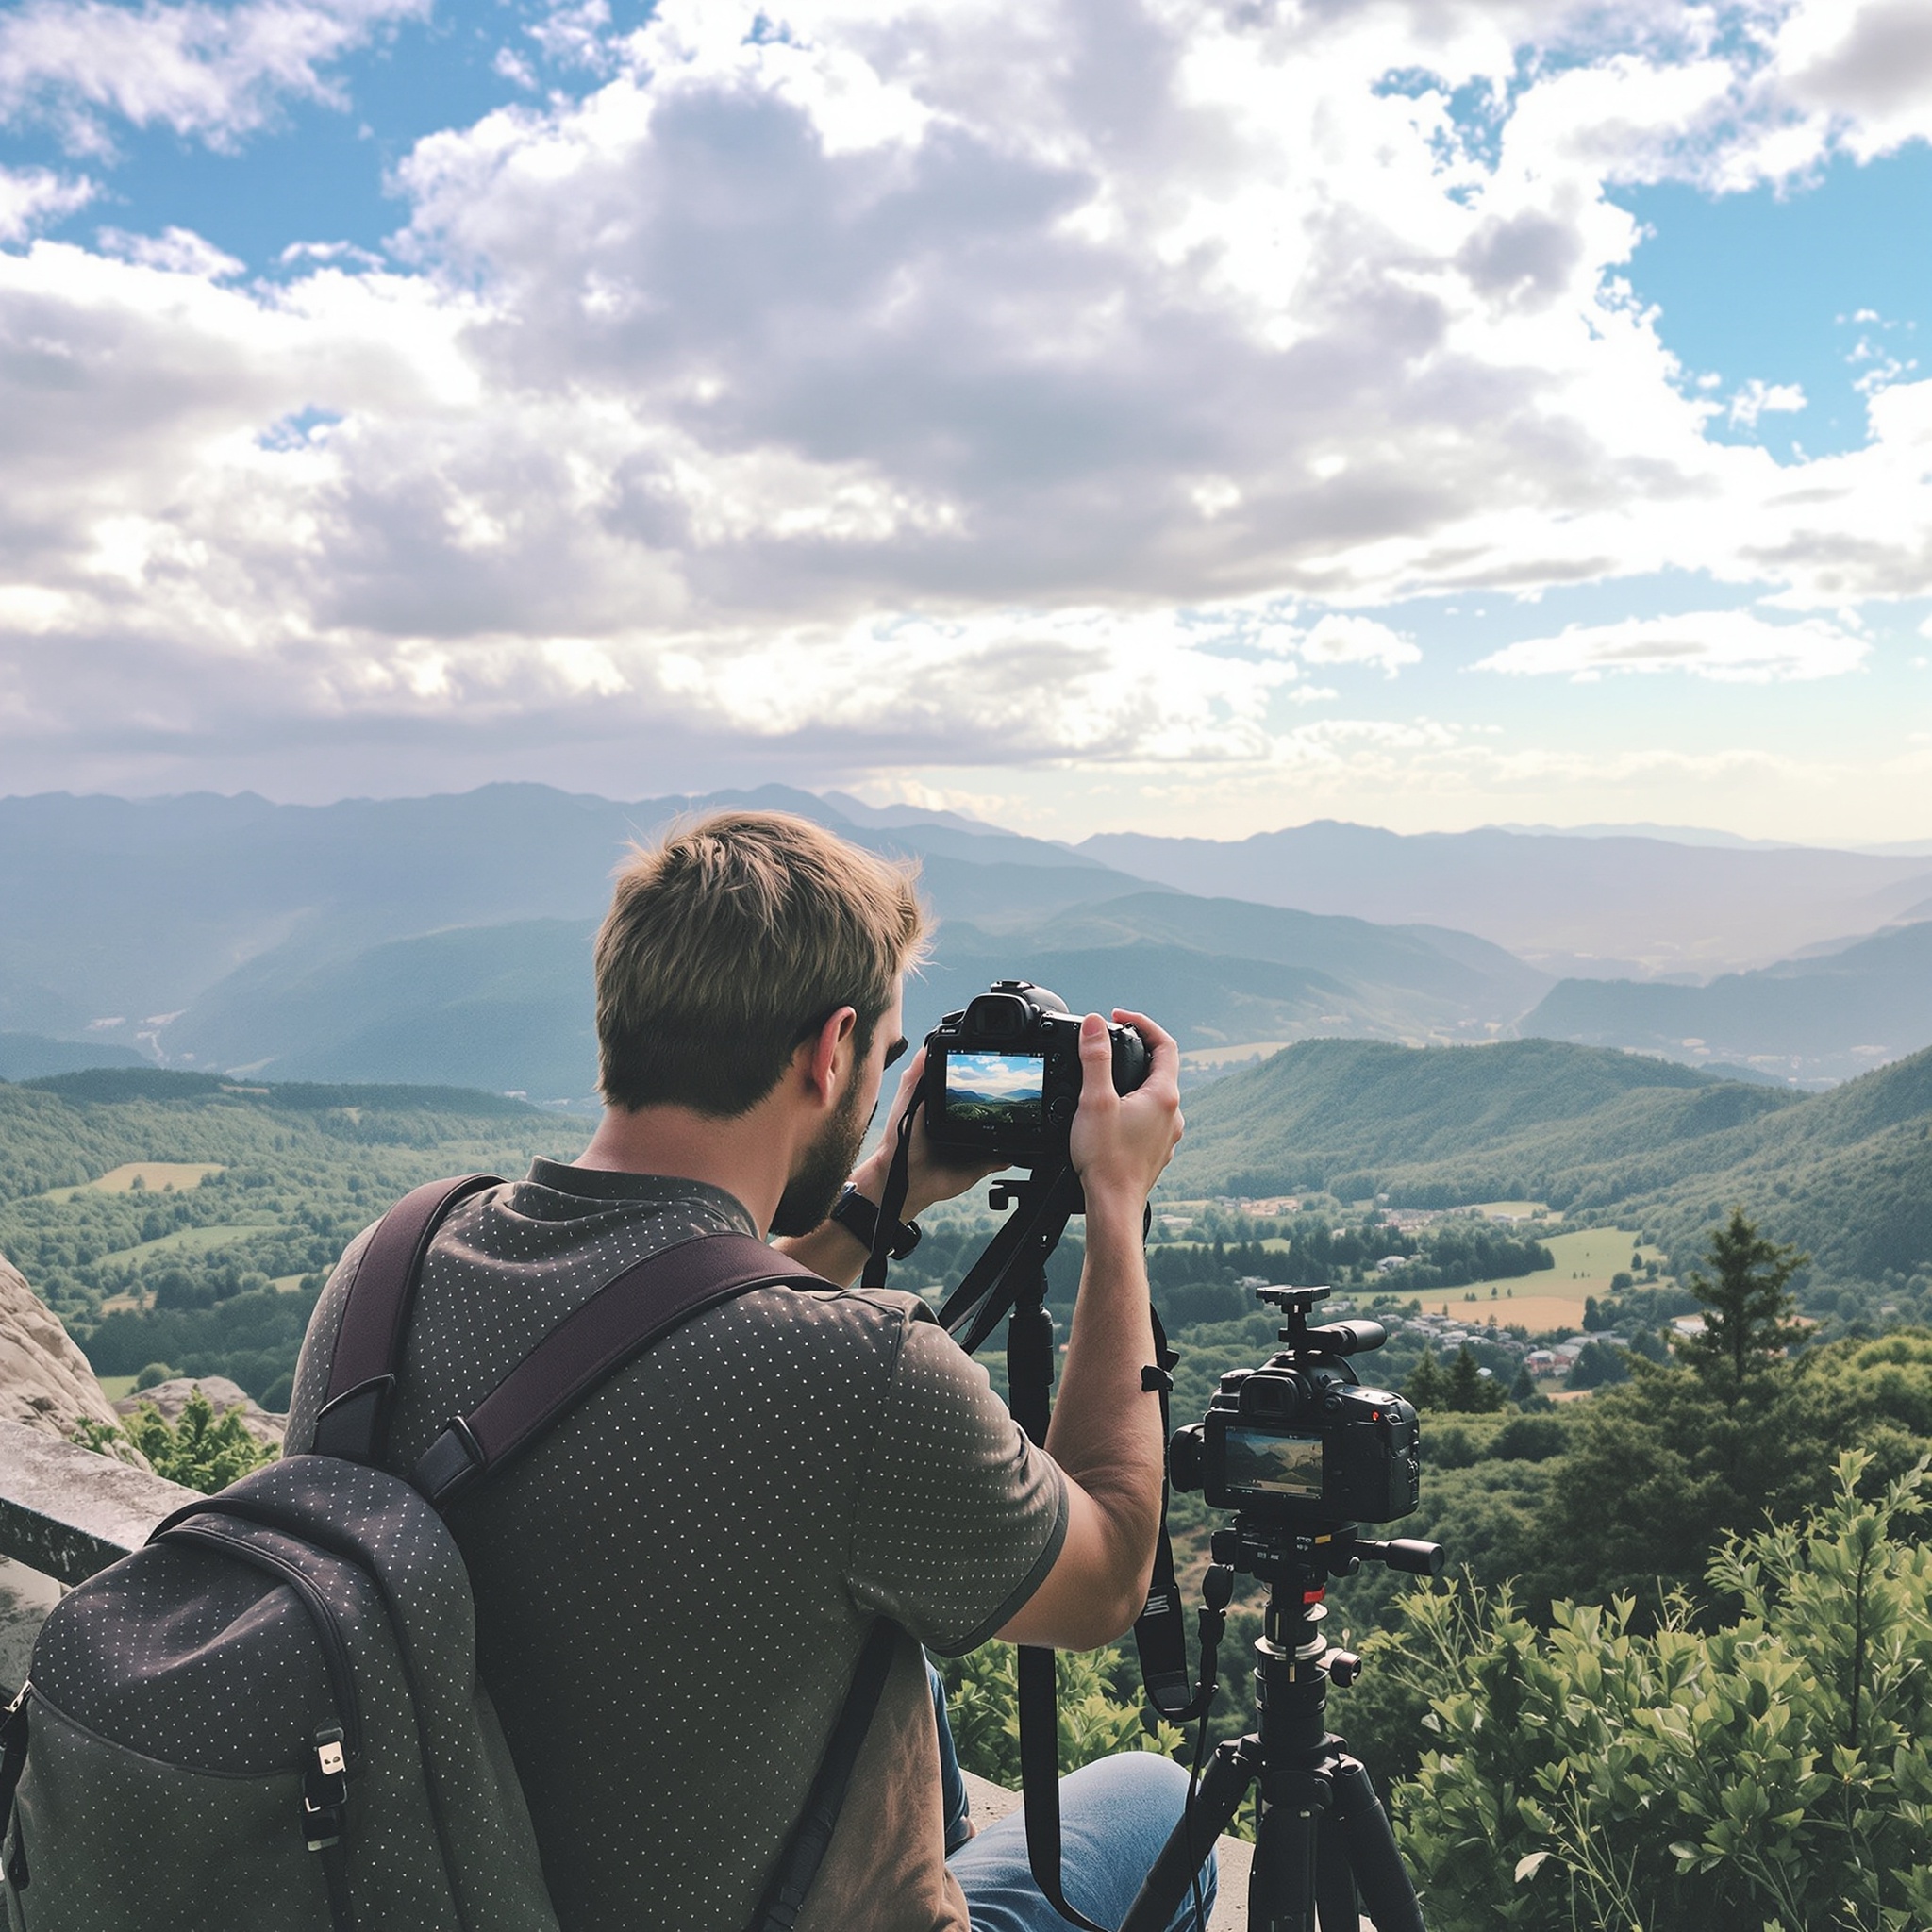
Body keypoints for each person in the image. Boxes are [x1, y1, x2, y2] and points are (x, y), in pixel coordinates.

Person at [285, 808, 1211, 1932]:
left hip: (442, 1892)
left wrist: (877, 1191)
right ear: (828, 1051)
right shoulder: (864, 1375)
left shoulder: (386, 1272)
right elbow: (1110, 1567)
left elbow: (671, 1311)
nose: (878, 1078)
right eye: (880, 1055)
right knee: (1159, 1801)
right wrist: (1116, 1205)